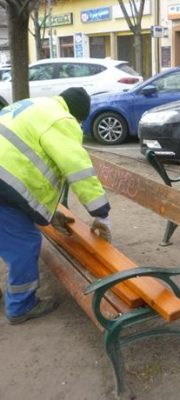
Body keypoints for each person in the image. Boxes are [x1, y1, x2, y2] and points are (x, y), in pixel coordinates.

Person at [0, 87, 112, 325]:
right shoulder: (62, 120)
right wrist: (101, 214)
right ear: (78, 116)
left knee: (8, 236)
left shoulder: (36, 105)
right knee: (24, 243)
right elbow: (77, 169)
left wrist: (50, 215)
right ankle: (21, 307)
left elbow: (28, 171)